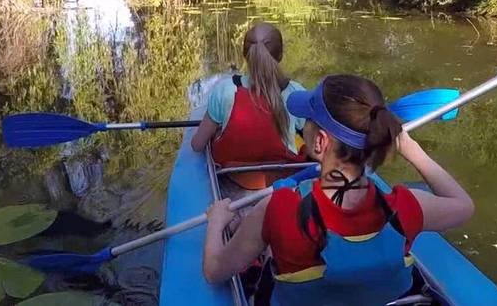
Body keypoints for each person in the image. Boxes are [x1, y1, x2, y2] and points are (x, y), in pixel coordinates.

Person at [201, 74, 475, 305]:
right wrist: (413, 152)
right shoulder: (407, 206)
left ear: (319, 142)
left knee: (274, 251)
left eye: (306, 120)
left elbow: (214, 271)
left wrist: (217, 222)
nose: (303, 127)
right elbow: (464, 206)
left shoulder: (278, 208)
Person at [191, 22, 307, 189]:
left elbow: (197, 145)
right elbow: (313, 144)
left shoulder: (224, 90)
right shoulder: (296, 93)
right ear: (280, 55)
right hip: (281, 177)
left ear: (245, 54)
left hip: (234, 177)